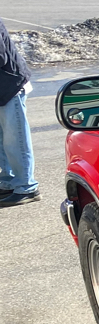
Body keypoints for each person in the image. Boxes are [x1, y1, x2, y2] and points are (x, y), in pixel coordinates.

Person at [0, 20, 39, 207]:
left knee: (15, 140)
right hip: (2, 89)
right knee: (2, 141)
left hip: (12, 86)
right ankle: (7, 182)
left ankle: (27, 187)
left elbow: (1, 57)